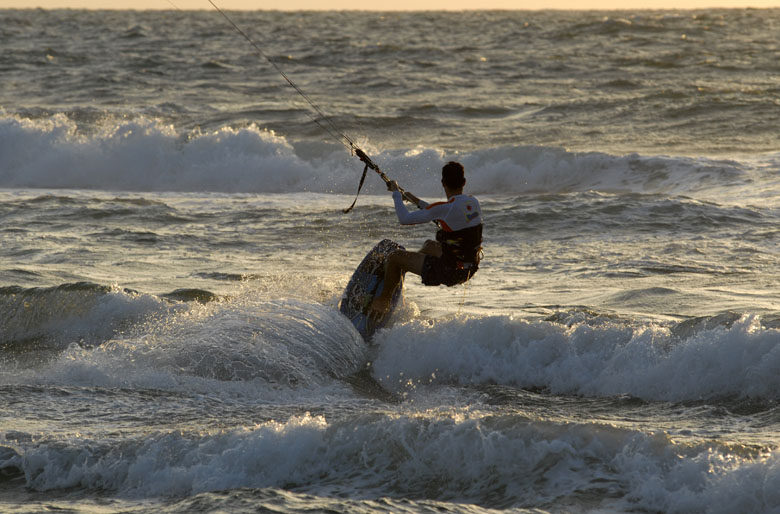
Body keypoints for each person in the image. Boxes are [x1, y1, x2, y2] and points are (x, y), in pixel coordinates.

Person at [369, 161, 483, 319]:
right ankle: (401, 272)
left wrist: (395, 192)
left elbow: (404, 219)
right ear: (464, 182)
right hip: (469, 267)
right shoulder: (473, 203)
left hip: (451, 271)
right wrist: (415, 200)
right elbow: (443, 214)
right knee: (429, 245)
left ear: (443, 183)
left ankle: (382, 304)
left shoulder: (445, 208)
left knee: (395, 257)